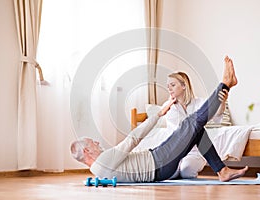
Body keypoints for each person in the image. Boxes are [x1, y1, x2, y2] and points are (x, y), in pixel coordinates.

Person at [70, 56, 248, 182]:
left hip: (157, 158)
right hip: (159, 163)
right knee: (190, 123)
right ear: (86, 152)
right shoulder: (103, 161)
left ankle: (222, 170)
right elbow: (134, 138)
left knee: (196, 129)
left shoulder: (99, 169)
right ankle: (225, 84)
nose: (95, 141)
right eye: (91, 142)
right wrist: (158, 114)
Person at [161, 71, 228, 179]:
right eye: (168, 86)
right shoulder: (169, 107)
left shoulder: (199, 102)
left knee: (186, 171)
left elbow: (217, 116)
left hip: (195, 152)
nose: (169, 88)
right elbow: (181, 130)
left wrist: (222, 102)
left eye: (173, 85)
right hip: (175, 151)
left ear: (184, 86)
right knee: (170, 175)